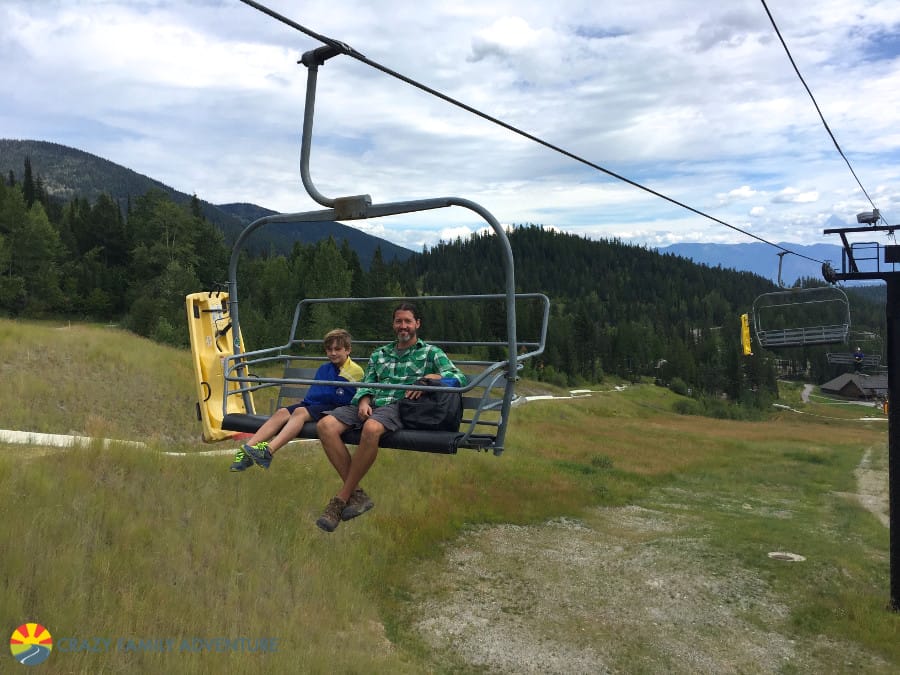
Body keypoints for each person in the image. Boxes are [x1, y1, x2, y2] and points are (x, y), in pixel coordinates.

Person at [314, 302, 468, 532]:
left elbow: (459, 378)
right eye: (399, 321)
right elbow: (367, 383)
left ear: (417, 324)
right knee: (325, 425)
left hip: (400, 405)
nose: (403, 326)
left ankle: (341, 499)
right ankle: (358, 496)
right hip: (373, 402)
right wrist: (365, 400)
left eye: (407, 321)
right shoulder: (380, 354)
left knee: (372, 429)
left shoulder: (430, 353)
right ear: (393, 324)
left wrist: (431, 378)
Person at [230, 328, 364, 472]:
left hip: (337, 409)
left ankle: (268, 451)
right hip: (317, 405)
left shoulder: (354, 371)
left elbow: (342, 398)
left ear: (348, 350)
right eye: (329, 349)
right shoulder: (325, 369)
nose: (332, 353)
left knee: (300, 412)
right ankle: (247, 451)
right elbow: (316, 394)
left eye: (337, 349)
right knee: (281, 412)